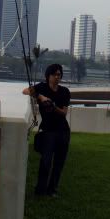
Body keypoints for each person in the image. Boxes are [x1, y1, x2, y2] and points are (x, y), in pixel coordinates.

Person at [23, 64, 71, 197]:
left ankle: (52, 189)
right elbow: (25, 91)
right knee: (46, 161)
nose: (57, 77)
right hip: (48, 130)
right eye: (54, 74)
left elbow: (64, 113)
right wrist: (41, 97)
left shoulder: (64, 91)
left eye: (59, 75)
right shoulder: (42, 87)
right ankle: (40, 189)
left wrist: (54, 107)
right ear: (48, 75)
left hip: (63, 131)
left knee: (59, 163)